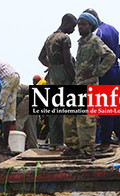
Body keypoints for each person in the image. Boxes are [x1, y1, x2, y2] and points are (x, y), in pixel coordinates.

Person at [61, 12, 116, 159]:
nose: (80, 27)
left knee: (86, 121)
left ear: (90, 26)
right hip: (78, 85)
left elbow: (110, 56)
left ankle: (87, 151)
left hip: (89, 86)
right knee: (70, 118)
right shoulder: (82, 42)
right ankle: (73, 147)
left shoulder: (94, 41)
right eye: (79, 25)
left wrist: (97, 71)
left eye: (83, 24)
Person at [83, 8, 120, 151]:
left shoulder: (97, 33)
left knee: (105, 107)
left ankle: (105, 141)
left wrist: (96, 71)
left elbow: (102, 54)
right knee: (115, 105)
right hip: (116, 70)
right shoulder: (113, 29)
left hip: (105, 71)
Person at [39, 13, 77, 151]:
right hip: (63, 75)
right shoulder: (64, 38)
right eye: (73, 26)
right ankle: (67, 143)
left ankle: (54, 143)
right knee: (68, 110)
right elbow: (68, 62)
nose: (74, 30)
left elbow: (41, 57)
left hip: (52, 76)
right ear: (66, 22)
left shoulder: (50, 37)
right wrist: (75, 79)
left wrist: (51, 66)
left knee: (54, 111)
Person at [15, 83, 38, 149]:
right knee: (31, 126)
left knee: (19, 122)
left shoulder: (13, 90)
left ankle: (15, 145)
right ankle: (32, 146)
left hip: (30, 97)